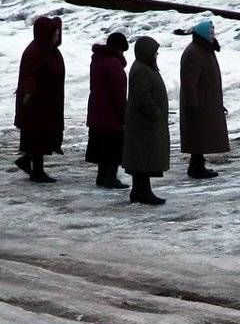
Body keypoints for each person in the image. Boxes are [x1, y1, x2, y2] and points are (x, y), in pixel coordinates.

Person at [15, 14, 65, 183]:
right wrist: (29, 93)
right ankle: (37, 171)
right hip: (36, 104)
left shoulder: (50, 51)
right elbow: (28, 75)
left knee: (41, 137)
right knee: (37, 136)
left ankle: (28, 161)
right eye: (55, 32)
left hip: (47, 103)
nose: (58, 35)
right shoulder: (35, 52)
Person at [178, 19, 229, 179]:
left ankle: (197, 165)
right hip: (199, 102)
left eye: (214, 32)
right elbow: (189, 81)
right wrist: (192, 103)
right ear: (202, 34)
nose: (213, 35)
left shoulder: (204, 49)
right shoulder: (195, 52)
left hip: (206, 101)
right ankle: (196, 167)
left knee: (200, 136)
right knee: (198, 135)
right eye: (211, 32)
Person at [122, 35, 169, 206]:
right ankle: (143, 192)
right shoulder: (141, 69)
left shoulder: (144, 67)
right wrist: (155, 113)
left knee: (142, 159)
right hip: (144, 124)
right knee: (143, 159)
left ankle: (139, 191)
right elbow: (142, 97)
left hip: (144, 123)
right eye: (154, 53)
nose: (156, 56)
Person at [85, 31, 129, 190]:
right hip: (110, 112)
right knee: (114, 145)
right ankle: (111, 177)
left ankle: (101, 176)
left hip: (97, 109)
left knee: (101, 144)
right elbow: (118, 93)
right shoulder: (113, 64)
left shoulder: (97, 60)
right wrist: (124, 113)